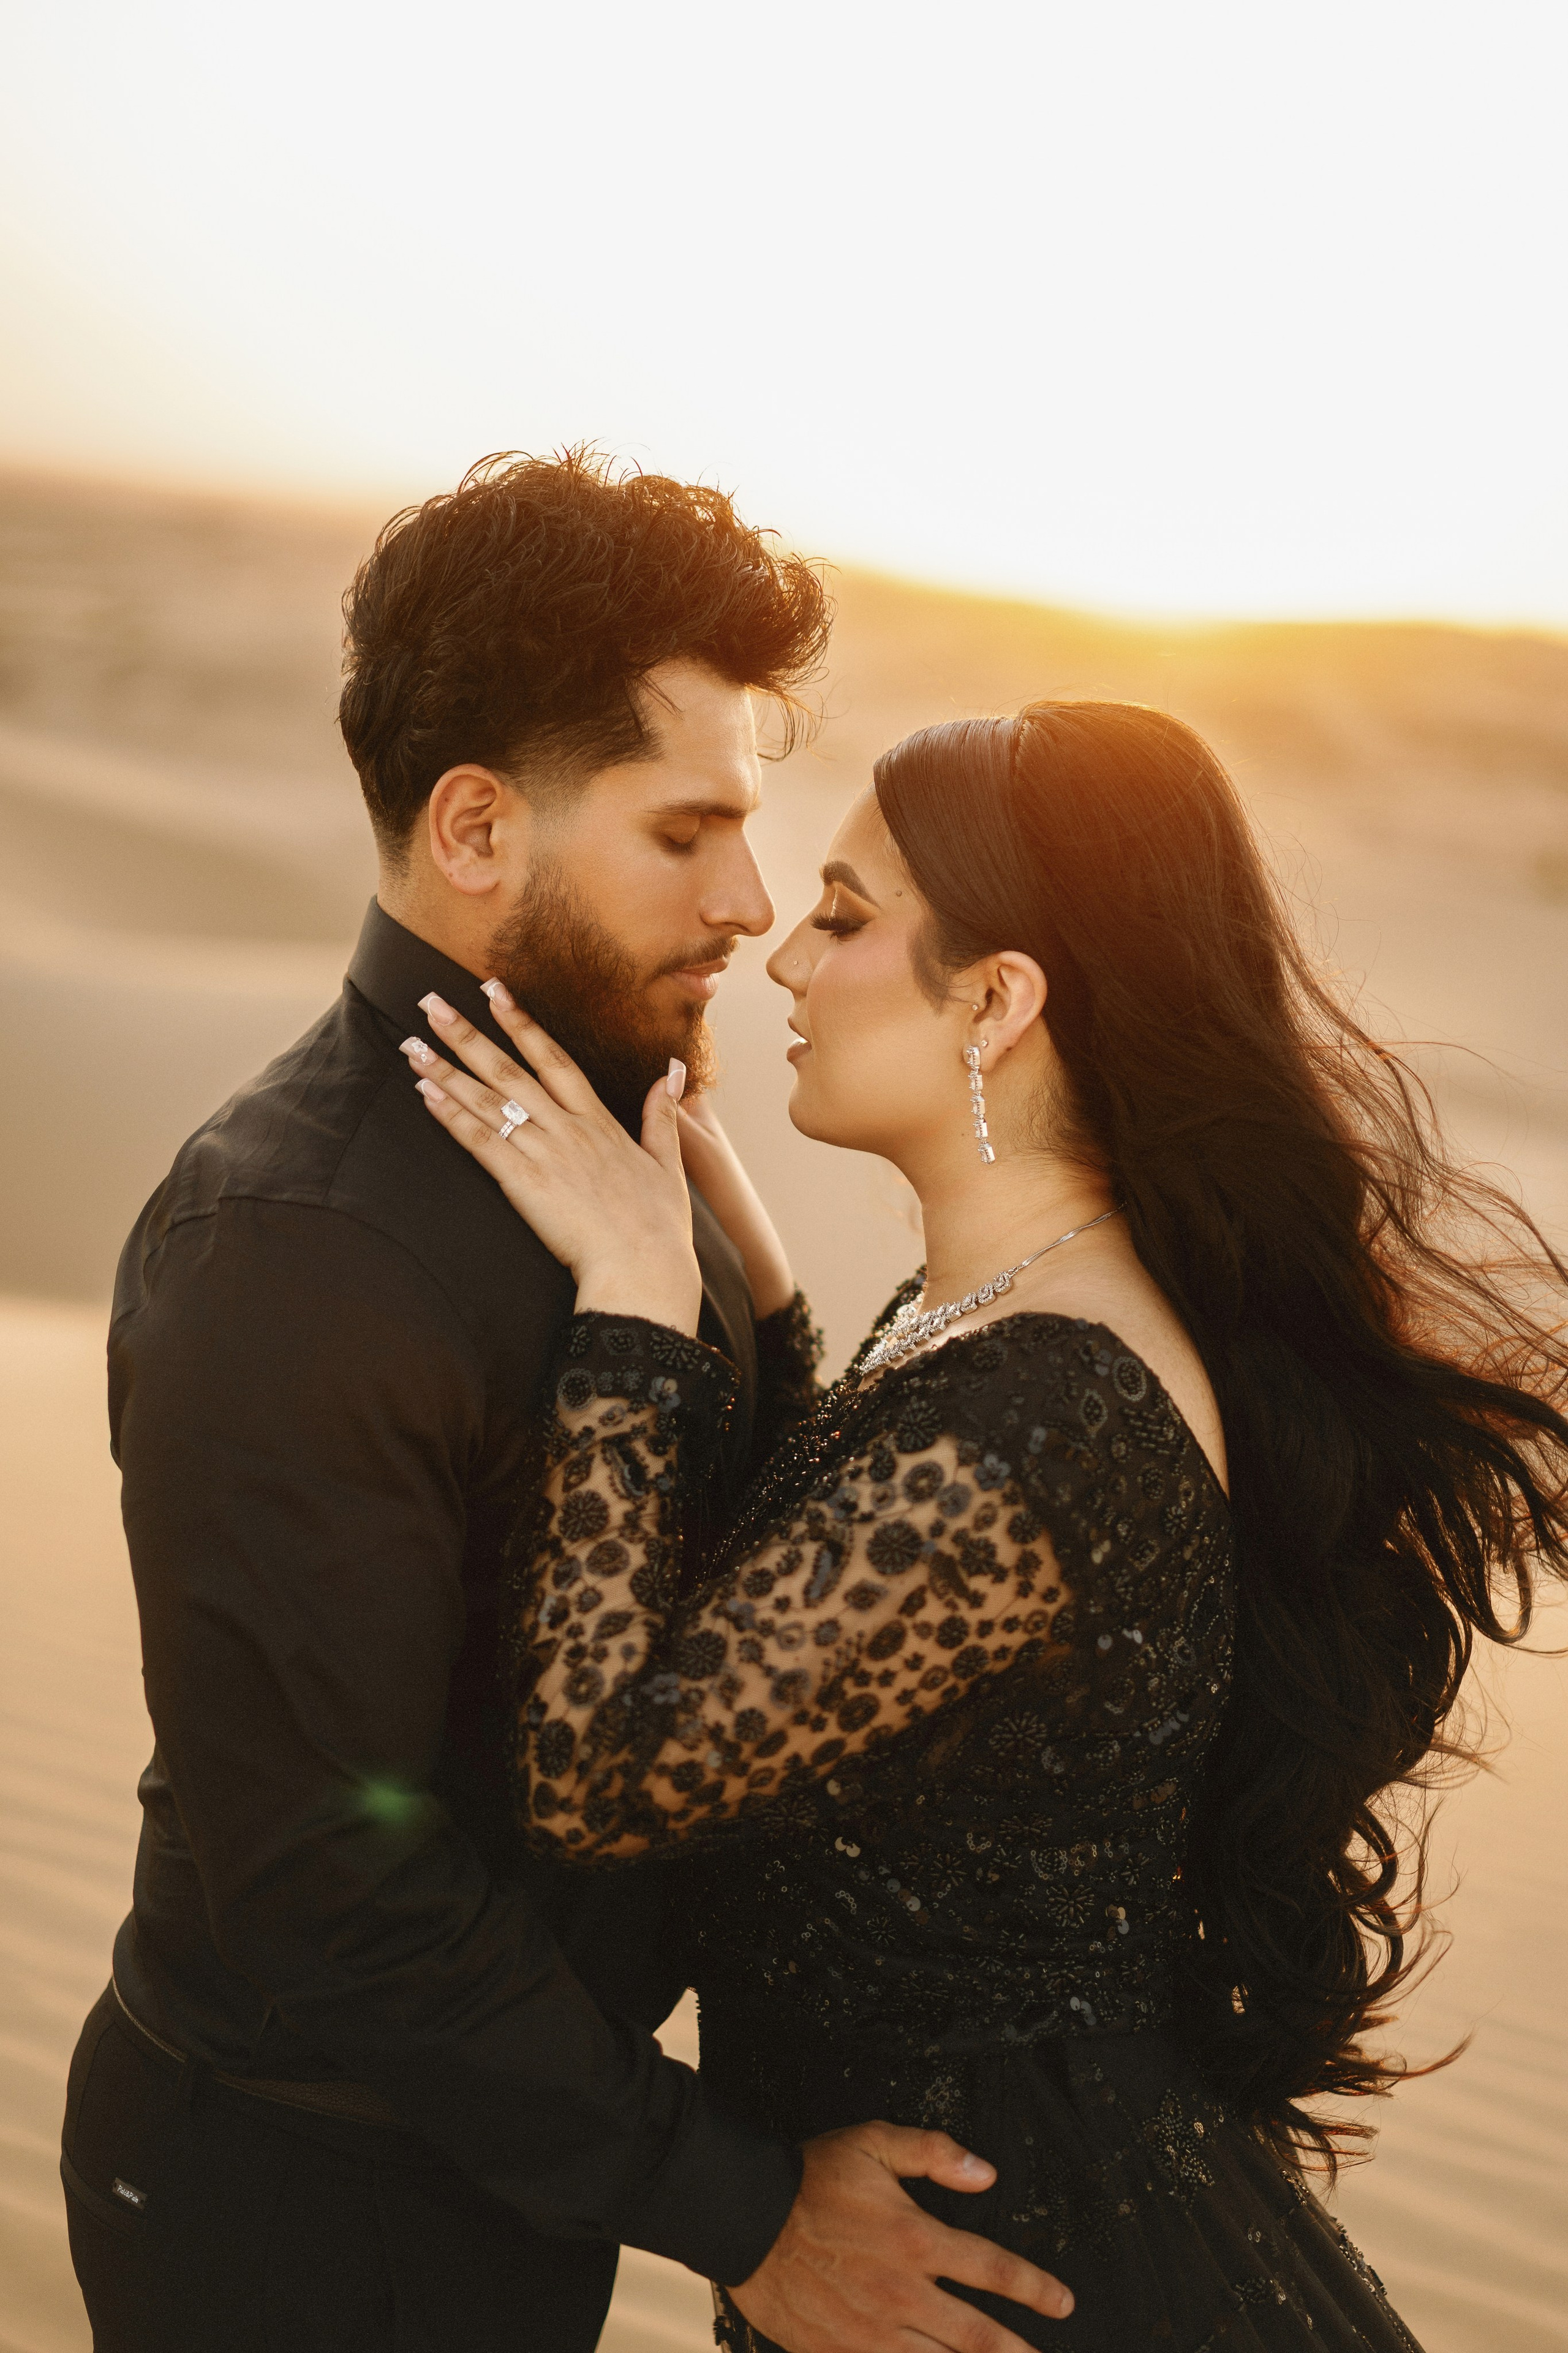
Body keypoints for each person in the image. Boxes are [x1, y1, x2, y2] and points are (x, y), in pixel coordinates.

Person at [62, 454, 1072, 2352]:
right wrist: (751, 2210)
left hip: (524, 2180)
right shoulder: (295, 1249)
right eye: (685, 830)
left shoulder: (633, 1152)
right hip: (293, 2219)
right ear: (473, 829)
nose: (751, 897)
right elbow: (330, 1891)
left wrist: (751, 1293)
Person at [409, 697, 1568, 2349]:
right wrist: (775, 1311)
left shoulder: (1056, 1410)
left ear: (1002, 999)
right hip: (948, 2244)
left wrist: (633, 1315)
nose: (787, 964)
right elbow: (868, 1621)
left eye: (848, 916)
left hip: (1023, 2281)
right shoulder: (1000, 1326)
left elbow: (606, 1780)